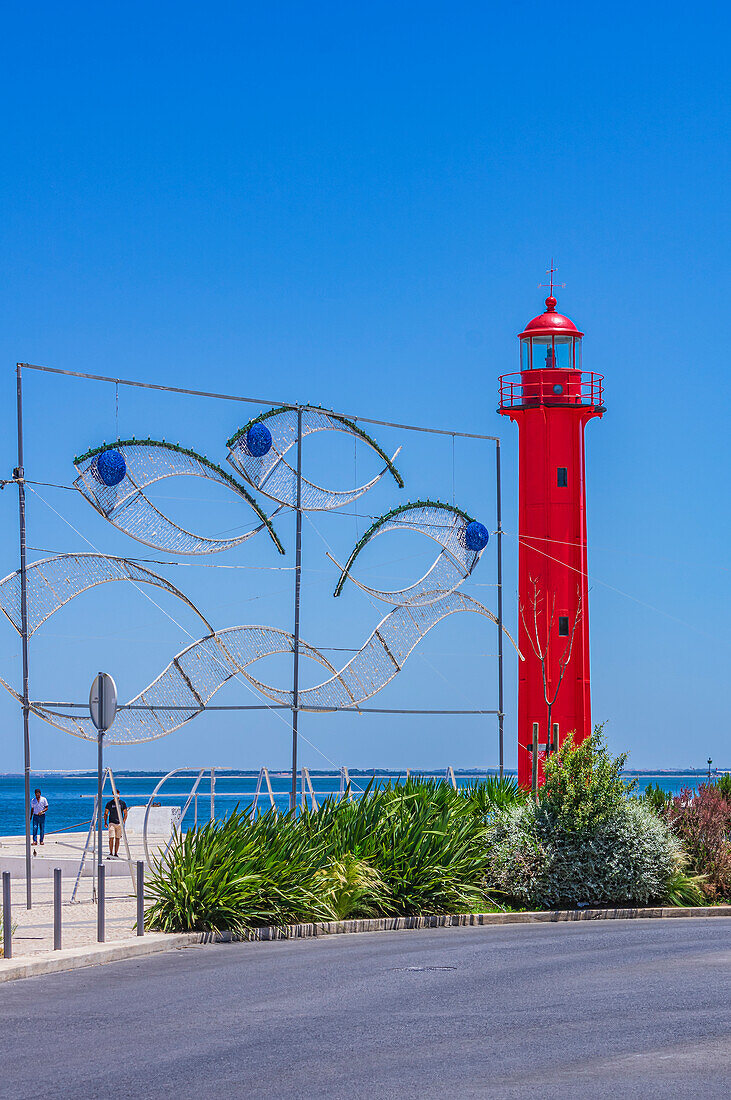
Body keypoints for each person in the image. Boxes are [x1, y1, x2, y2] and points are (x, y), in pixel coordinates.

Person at [103, 793, 128, 858]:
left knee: (118, 838)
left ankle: (116, 853)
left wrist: (123, 822)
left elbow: (125, 813)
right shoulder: (109, 803)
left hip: (119, 823)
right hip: (112, 823)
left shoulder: (122, 803)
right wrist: (105, 822)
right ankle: (111, 853)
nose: (117, 796)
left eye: (118, 795)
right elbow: (106, 813)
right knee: (111, 838)